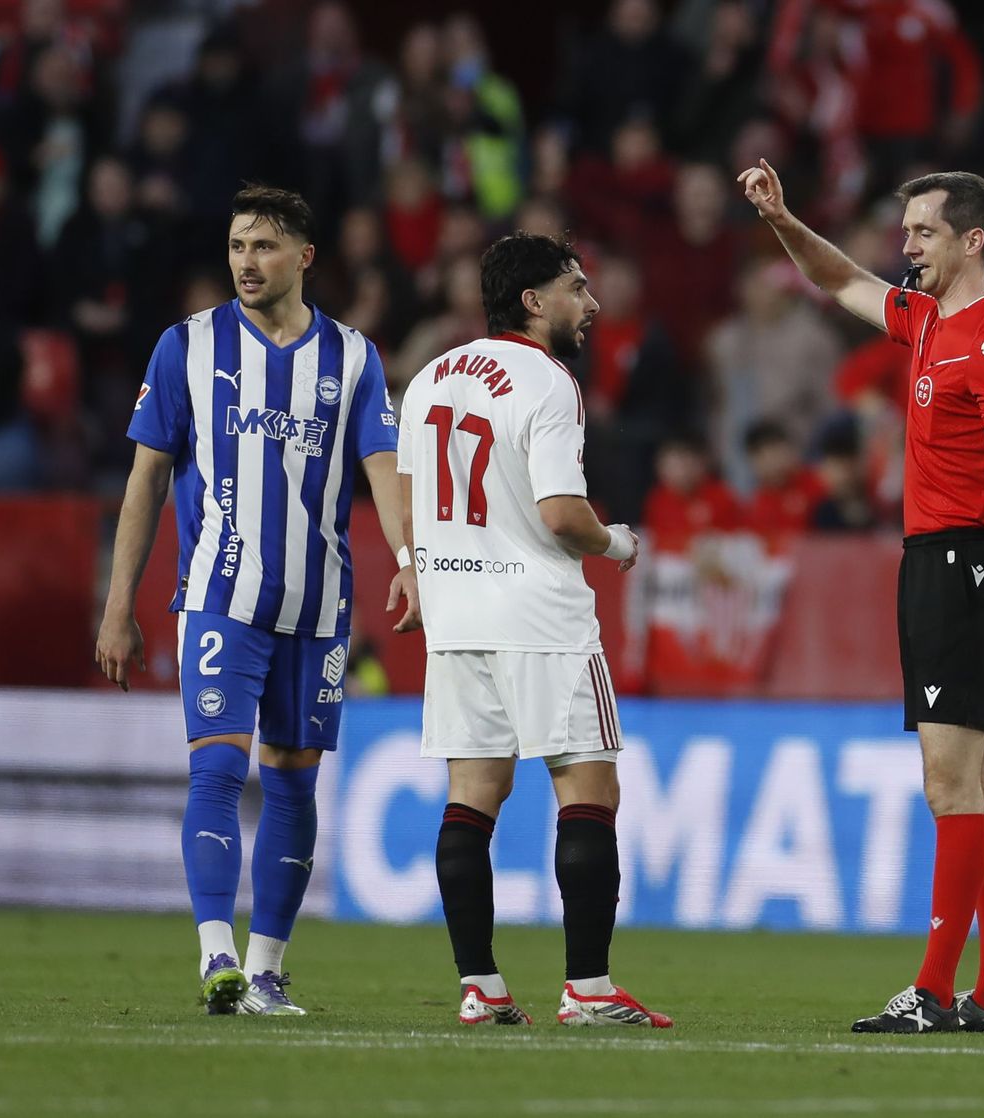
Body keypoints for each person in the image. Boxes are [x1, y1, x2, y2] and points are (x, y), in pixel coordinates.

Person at [94, 185, 419, 1016]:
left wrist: (411, 559)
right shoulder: (187, 345)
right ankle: (218, 956)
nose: (247, 261)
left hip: (317, 605)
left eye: (265, 246)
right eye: (238, 245)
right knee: (216, 766)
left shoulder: (352, 358)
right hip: (219, 596)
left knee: (294, 785)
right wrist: (119, 604)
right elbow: (146, 479)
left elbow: (384, 468)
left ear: (304, 257)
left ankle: (267, 972)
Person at [740, 160, 984, 1033]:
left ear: (972, 240)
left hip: (967, 567)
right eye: (906, 231)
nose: (906, 245)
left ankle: (935, 992)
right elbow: (839, 279)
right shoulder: (927, 318)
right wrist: (782, 219)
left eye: (924, 232)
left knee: (951, 785)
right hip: (936, 561)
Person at [396, 231, 672, 1030]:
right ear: (532, 301)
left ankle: (480, 986)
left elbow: (411, 503)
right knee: (589, 791)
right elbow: (560, 515)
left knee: (471, 797)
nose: (592, 304)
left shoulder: (430, 377)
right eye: (576, 288)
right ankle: (588, 989)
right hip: (540, 616)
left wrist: (419, 570)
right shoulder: (549, 383)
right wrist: (616, 542)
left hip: (456, 614)